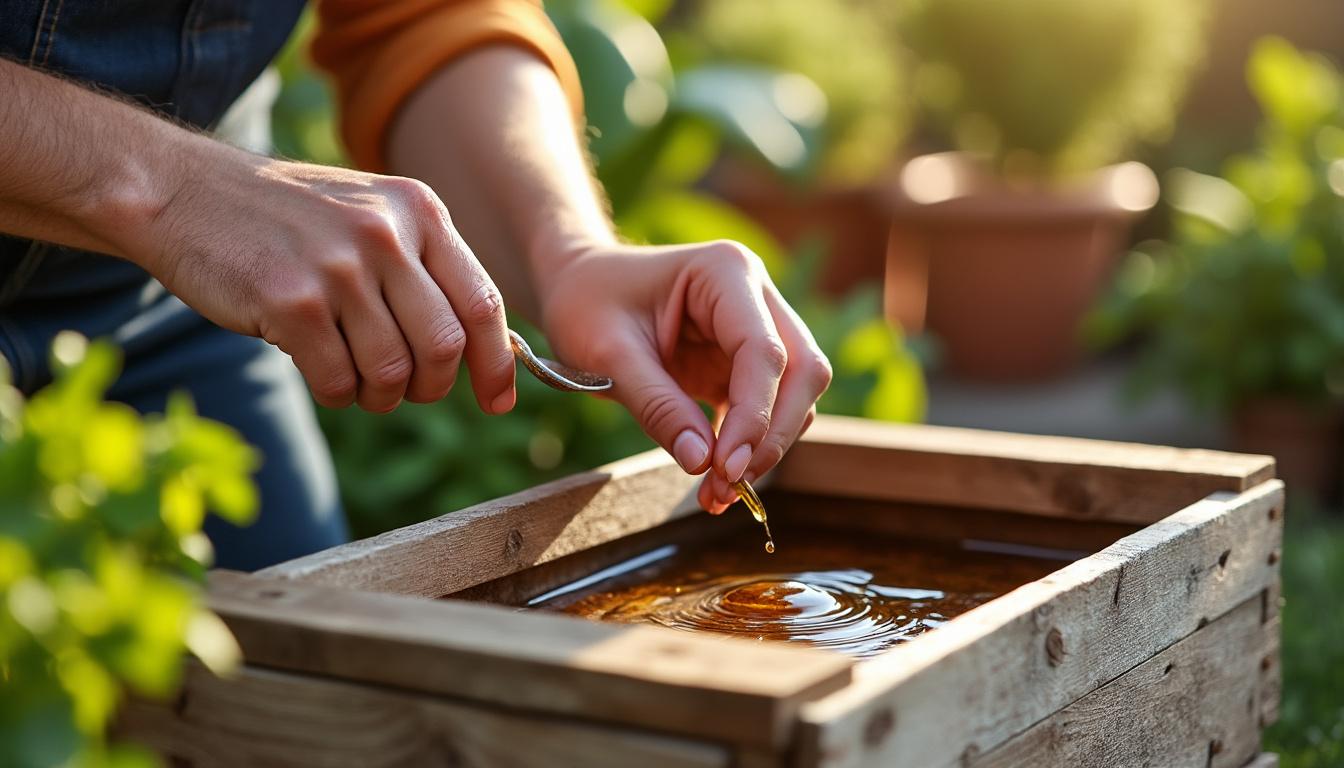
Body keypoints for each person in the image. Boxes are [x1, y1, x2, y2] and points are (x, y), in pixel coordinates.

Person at [0, 0, 832, 570]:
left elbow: (421, 18)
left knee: (304, 706)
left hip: (180, 297)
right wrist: (175, 190)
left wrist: (569, 253)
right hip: (199, 214)